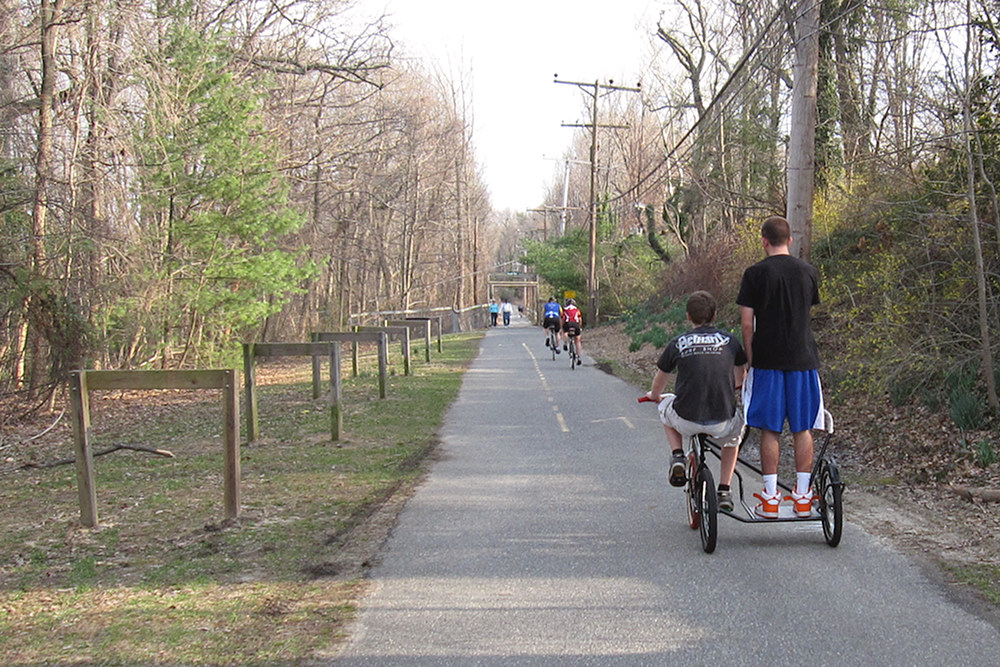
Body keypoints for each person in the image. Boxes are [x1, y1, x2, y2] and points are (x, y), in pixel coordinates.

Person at [737, 215, 824, 519]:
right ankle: (802, 497)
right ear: (790, 240)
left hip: (767, 361)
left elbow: (748, 324)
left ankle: (771, 498)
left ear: (763, 241)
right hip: (803, 360)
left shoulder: (754, 274)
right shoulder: (808, 272)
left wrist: (749, 359)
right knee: (803, 428)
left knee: (770, 429)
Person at [645, 291, 747, 510]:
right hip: (722, 421)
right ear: (715, 315)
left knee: (665, 405)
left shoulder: (678, 342)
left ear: (688, 316)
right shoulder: (730, 341)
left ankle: (678, 455)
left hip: (686, 419)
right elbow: (741, 376)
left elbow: (660, 379)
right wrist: (734, 386)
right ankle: (724, 490)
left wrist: (654, 396)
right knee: (734, 438)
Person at [561, 298, 583, 365]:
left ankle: (565, 343)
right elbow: (580, 319)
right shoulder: (577, 310)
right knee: (577, 341)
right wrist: (579, 326)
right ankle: (578, 357)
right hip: (575, 325)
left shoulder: (564, 310)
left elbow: (563, 319)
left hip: (568, 324)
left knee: (564, 332)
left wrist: (562, 326)